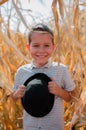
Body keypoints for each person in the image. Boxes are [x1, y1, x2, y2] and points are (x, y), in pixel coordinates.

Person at [12, 23, 75, 130]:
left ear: (53, 47)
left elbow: (72, 97)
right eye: (36, 46)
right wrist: (17, 94)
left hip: (53, 127)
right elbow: (13, 98)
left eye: (46, 45)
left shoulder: (61, 70)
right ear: (28, 47)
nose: (41, 51)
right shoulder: (22, 71)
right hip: (30, 126)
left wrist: (59, 91)